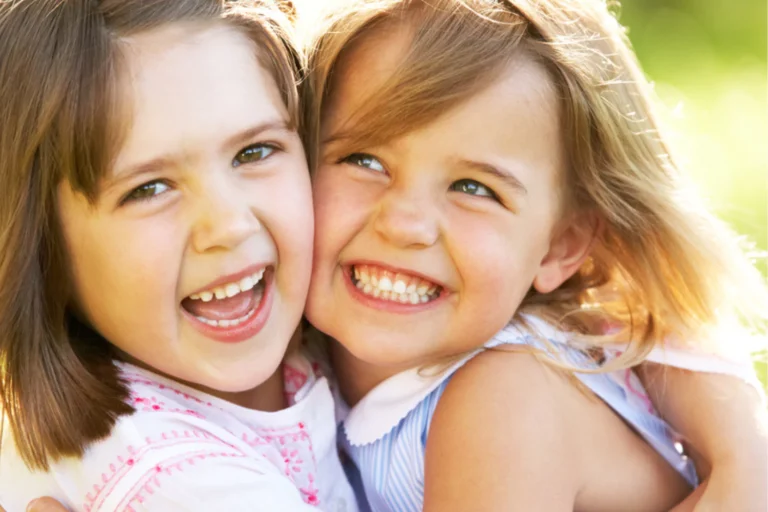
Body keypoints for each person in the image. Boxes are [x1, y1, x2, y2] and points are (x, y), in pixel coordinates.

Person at [303, 0, 768, 510]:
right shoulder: (297, 360)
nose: (403, 223)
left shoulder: (504, 400)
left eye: (473, 188)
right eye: (364, 160)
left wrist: (743, 457)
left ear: (562, 247)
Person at [0, 1, 357, 510]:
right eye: (148, 189)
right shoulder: (174, 481)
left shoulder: (319, 346)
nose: (229, 225)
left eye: (253, 152)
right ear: (43, 249)